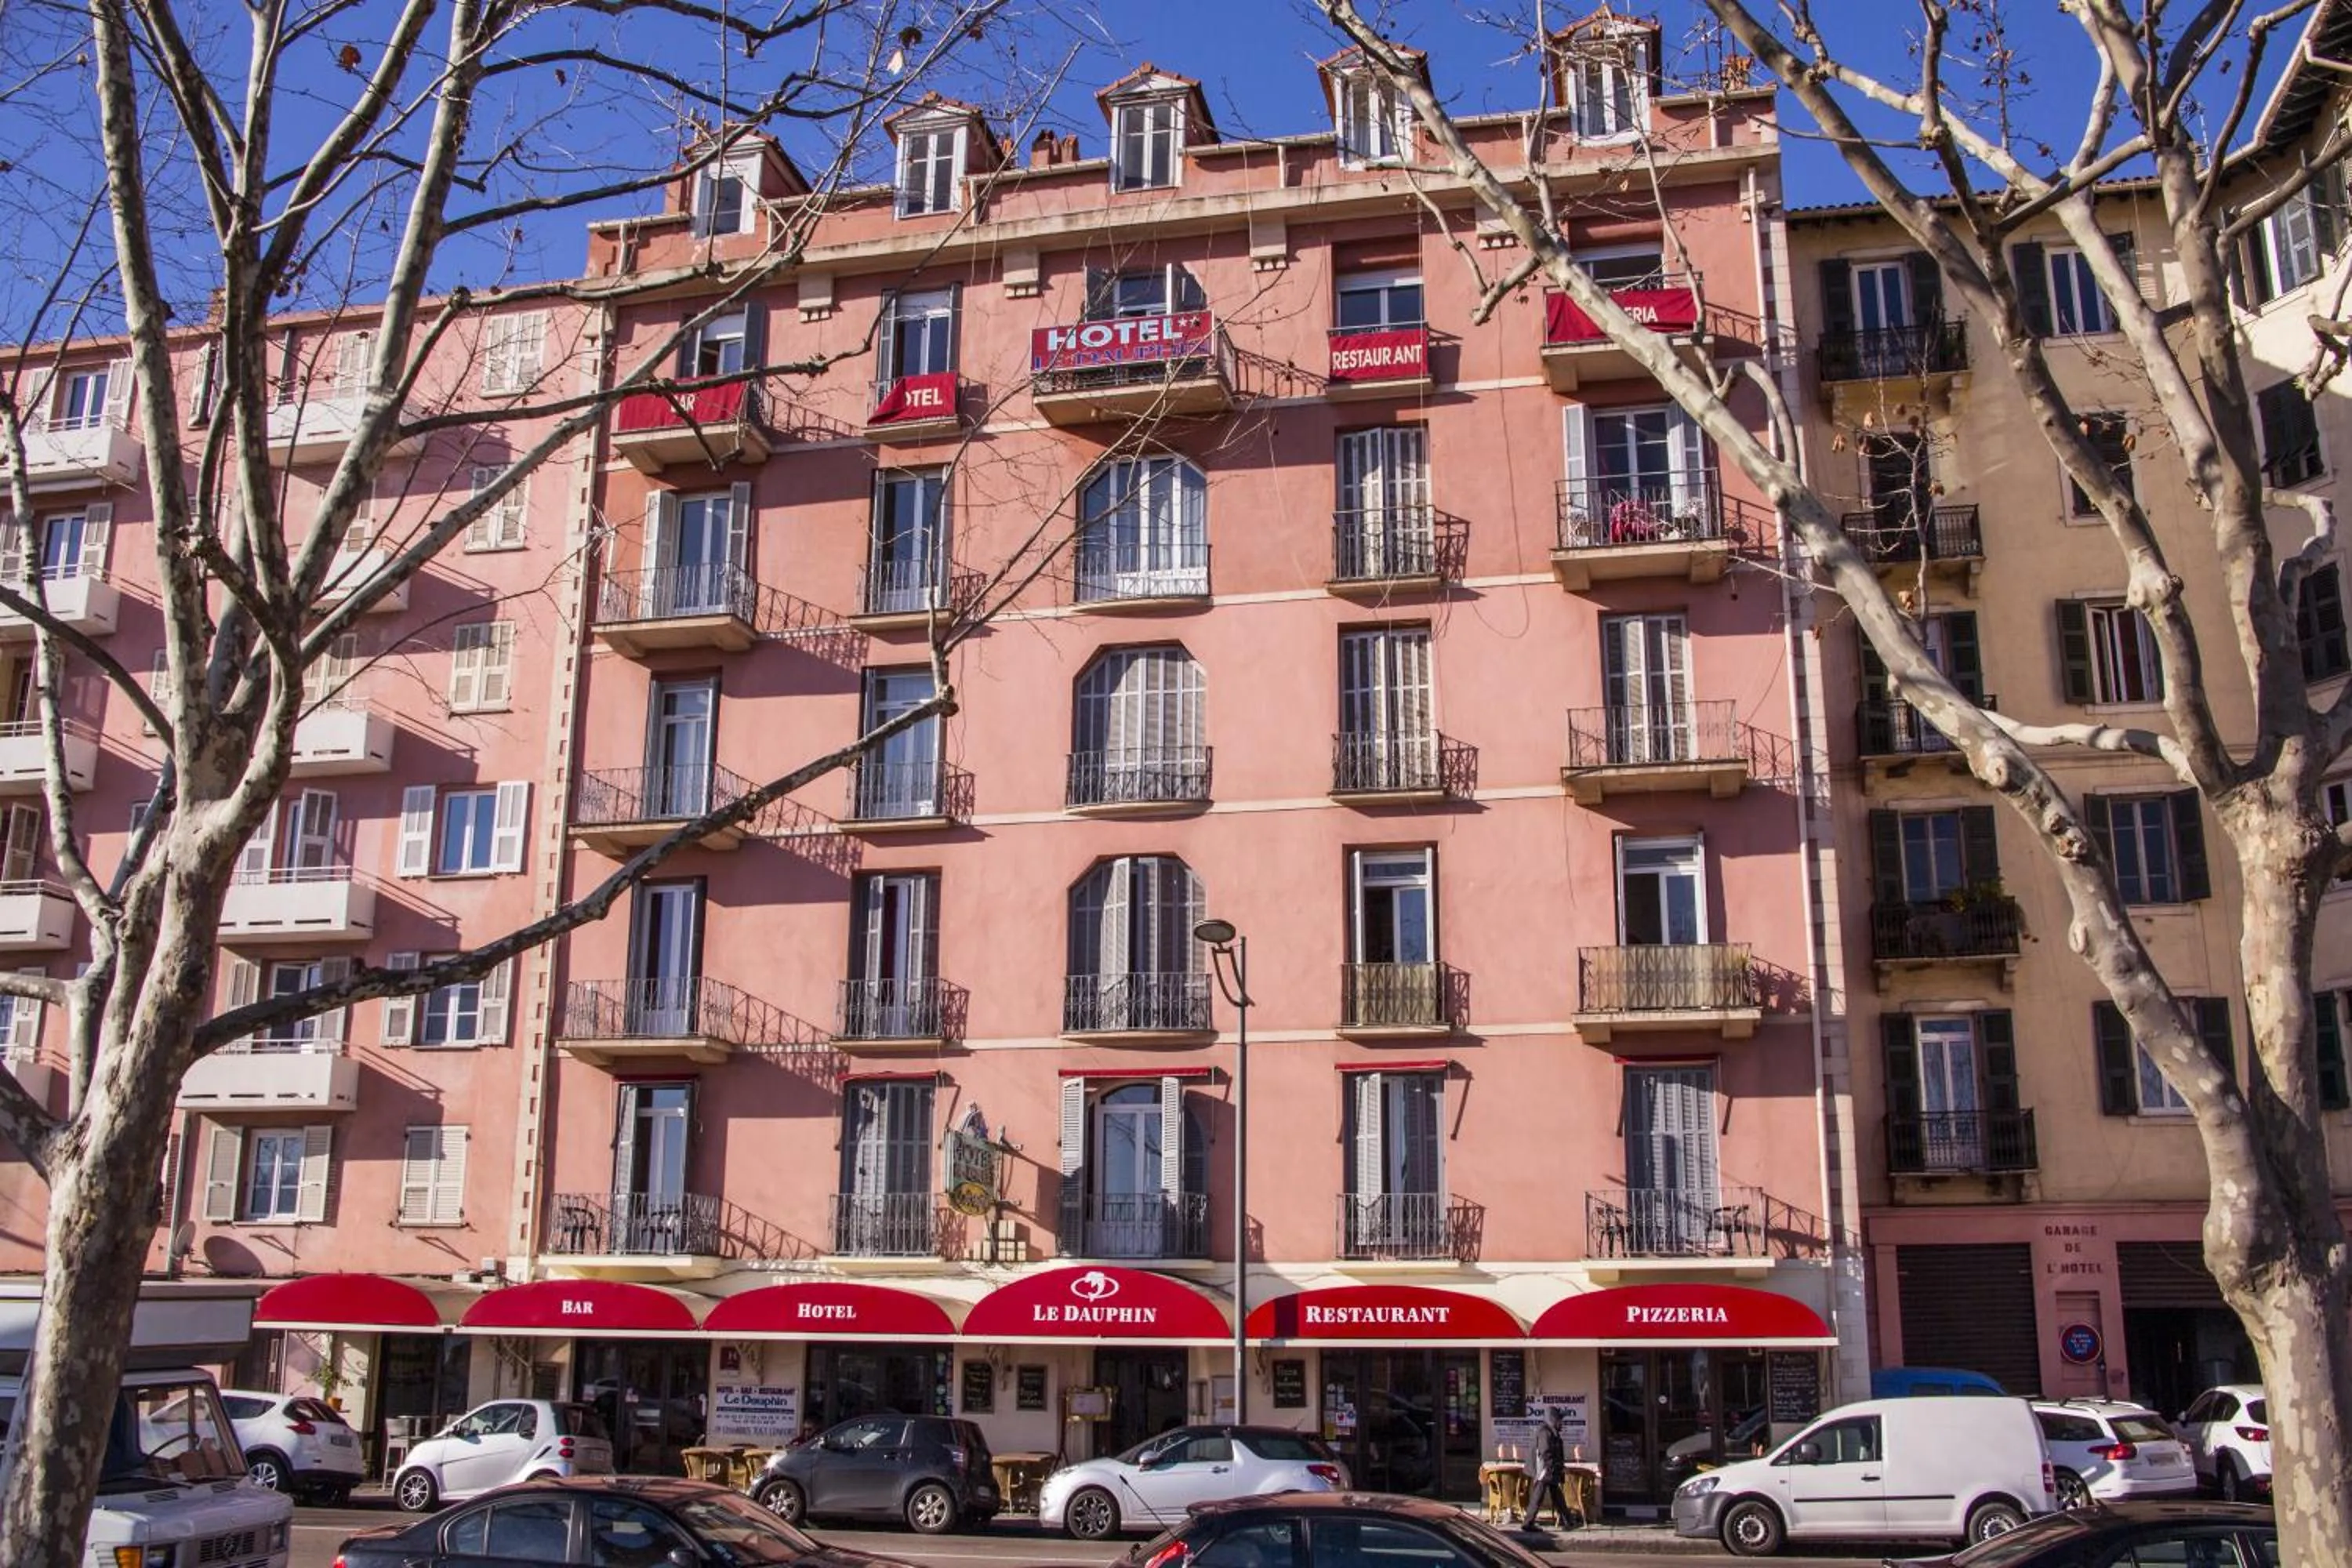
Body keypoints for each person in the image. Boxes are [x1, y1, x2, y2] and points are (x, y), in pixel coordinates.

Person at [1520, 1407, 1571, 1533]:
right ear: (1554, 1420)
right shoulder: (1545, 1432)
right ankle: (1528, 1523)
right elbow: (1545, 1452)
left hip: (1549, 1469)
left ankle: (1568, 1521)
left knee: (1556, 1495)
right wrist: (1554, 1465)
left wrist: (1558, 1465)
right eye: (1560, 1420)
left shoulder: (1551, 1431)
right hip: (1543, 1469)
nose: (1561, 1423)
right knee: (1538, 1496)